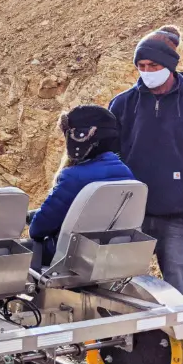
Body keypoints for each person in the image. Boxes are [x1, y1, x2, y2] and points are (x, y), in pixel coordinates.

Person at [109, 26, 183, 364]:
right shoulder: (123, 104)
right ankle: (126, 361)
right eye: (141, 64)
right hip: (132, 217)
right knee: (119, 291)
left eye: (153, 63)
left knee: (179, 292)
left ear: (170, 65)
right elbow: (111, 157)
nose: (146, 70)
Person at [29, 105, 133, 266]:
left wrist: (33, 219)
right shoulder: (124, 172)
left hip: (70, 256)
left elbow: (38, 229)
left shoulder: (73, 177)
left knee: (17, 251)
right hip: (107, 254)